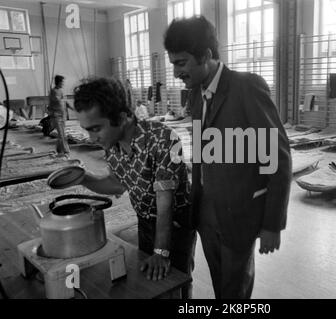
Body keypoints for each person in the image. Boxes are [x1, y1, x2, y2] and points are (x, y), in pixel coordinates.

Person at [164, 16, 292, 299]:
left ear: (206, 56)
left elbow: (278, 159)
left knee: (235, 292)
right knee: (222, 286)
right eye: (173, 63)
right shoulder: (196, 97)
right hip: (206, 214)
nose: (175, 72)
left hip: (240, 216)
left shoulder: (247, 87)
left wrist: (273, 223)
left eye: (181, 62)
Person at [73, 77, 196, 298]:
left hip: (175, 223)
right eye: (87, 130)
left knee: (175, 281)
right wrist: (83, 178)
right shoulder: (113, 146)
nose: (91, 138)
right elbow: (117, 183)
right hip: (146, 220)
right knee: (151, 280)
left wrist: (161, 251)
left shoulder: (163, 138)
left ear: (121, 118)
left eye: (96, 128)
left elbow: (165, 203)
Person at [48, 75, 70, 156]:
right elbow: (59, 101)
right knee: (62, 134)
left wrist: (72, 108)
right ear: (59, 82)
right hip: (56, 116)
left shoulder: (61, 91)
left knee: (62, 134)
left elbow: (64, 102)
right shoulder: (53, 91)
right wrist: (64, 99)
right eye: (62, 82)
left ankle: (59, 150)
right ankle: (66, 151)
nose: (63, 84)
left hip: (62, 115)